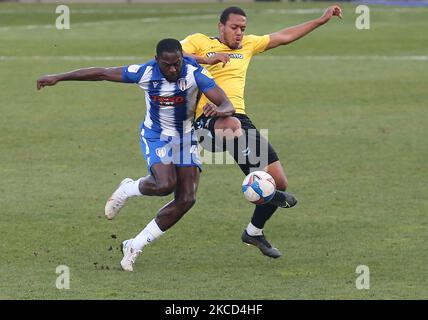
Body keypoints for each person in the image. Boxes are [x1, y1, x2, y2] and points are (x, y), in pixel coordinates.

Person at [37, 39, 235, 271]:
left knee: (187, 199)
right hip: (156, 135)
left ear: (182, 58)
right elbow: (101, 73)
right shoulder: (145, 72)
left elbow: (226, 103)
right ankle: (128, 189)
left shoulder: (194, 73)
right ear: (157, 60)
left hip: (186, 137)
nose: (172, 69)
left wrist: (218, 109)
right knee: (164, 184)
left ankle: (134, 245)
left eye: (176, 64)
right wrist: (59, 77)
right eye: (166, 65)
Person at [181, 5, 342, 258]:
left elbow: (284, 36)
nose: (239, 33)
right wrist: (206, 59)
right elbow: (171, 56)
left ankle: (254, 231)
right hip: (207, 119)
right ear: (220, 26)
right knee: (235, 132)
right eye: (234, 27)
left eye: (242, 28)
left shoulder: (248, 45)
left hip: (238, 118)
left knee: (279, 181)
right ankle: (257, 184)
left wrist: (321, 21)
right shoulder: (199, 42)